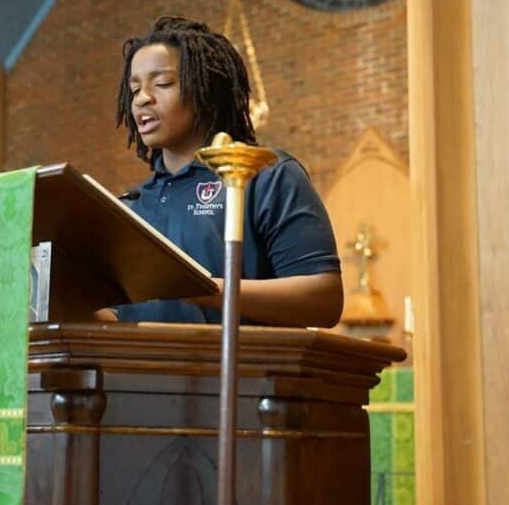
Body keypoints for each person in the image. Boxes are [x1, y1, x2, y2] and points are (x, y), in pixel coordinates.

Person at [105, 16, 342, 327]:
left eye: (161, 83)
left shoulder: (266, 175)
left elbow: (323, 300)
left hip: (241, 374)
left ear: (207, 90)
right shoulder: (131, 205)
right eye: (134, 90)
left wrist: (201, 288)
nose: (142, 99)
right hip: (133, 375)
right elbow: (118, 318)